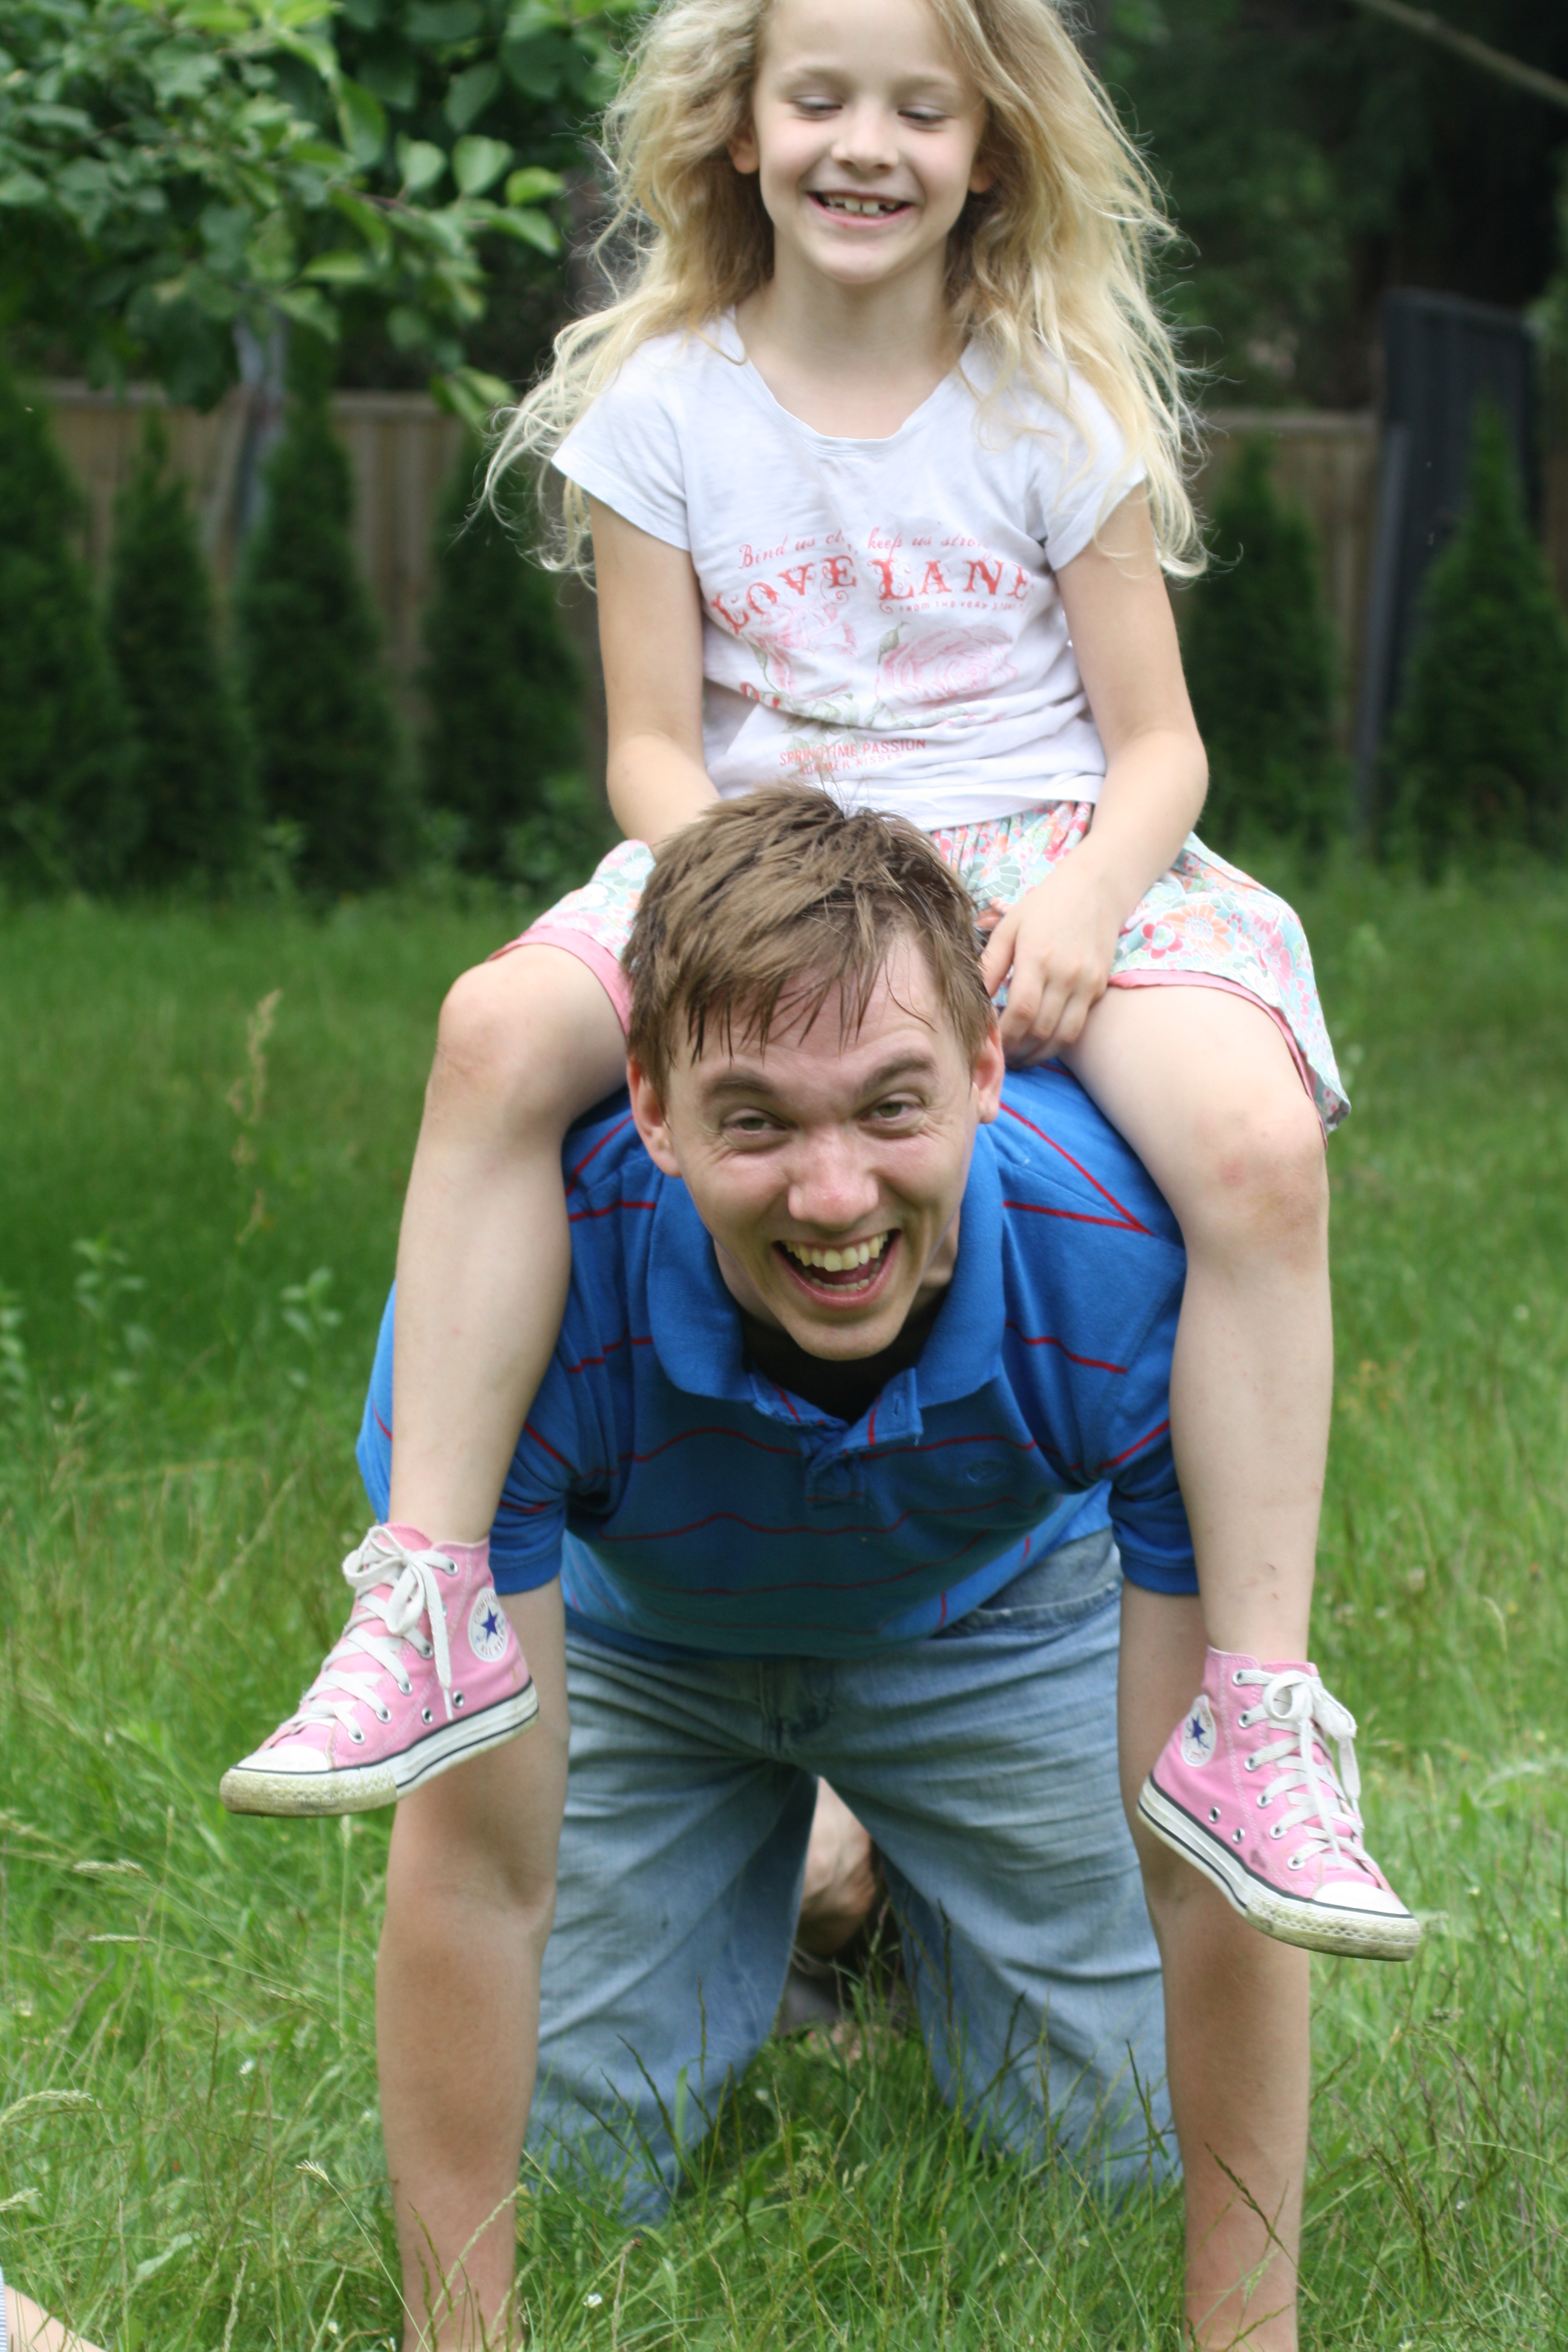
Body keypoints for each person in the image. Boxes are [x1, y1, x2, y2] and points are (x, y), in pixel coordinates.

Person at [223, 0, 1416, 1957]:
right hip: (750, 862)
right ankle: (428, 1590)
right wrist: (725, 910)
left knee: (1259, 1150)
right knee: (491, 1031)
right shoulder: (662, 407)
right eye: (823, 98)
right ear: (741, 127)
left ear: (988, 147)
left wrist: (1092, 899)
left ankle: (1257, 1713)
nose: (869, 143)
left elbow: (1162, 748)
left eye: (921, 109)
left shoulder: (1051, 402)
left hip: (1036, 858)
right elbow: (650, 748)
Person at [352, 792, 1352, 2350]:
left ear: (987, 1073)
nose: (833, 1197)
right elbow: (477, 1877)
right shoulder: (516, 1292)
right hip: (645, 1648)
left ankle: (874, 1899)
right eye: (756, 1121)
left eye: (892, 1107)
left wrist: (1246, 2336)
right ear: (651, 1105)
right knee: (559, 2176)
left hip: (997, 1622)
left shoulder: (1128, 1263)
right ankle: (814, 1876)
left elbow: (1202, 1862)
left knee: (1115, 2161)